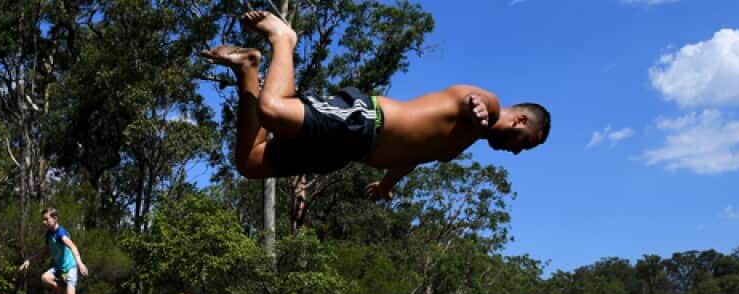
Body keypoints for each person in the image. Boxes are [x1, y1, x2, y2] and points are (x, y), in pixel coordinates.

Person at [200, 11, 550, 202]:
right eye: (524, 141)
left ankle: (247, 68)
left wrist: (386, 184)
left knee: (250, 162)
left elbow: (413, 153)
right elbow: (469, 98)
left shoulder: (464, 141)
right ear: (520, 118)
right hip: (363, 121)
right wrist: (476, 108)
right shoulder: (488, 105)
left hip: (345, 151)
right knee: (274, 110)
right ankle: (283, 37)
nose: (517, 152)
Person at [19, 208, 89, 294]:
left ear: (55, 219)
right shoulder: (49, 234)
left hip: (70, 269)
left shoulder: (60, 233)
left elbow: (73, 246)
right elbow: (44, 252)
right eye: (43, 220)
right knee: (45, 278)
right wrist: (29, 260)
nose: (44, 222)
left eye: (46, 219)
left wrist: (80, 263)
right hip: (59, 269)